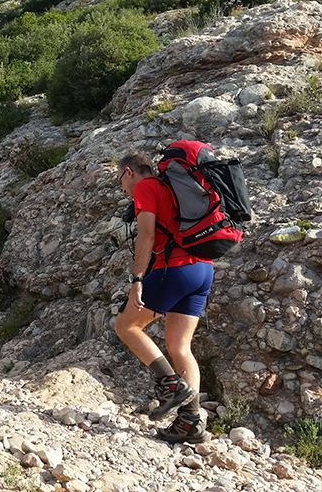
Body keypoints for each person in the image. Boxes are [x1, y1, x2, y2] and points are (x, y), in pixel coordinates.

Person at [114, 152, 215, 444]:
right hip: (203, 269)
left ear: (130, 172)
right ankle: (191, 422)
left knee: (126, 326)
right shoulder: (171, 187)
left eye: (120, 179)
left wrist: (137, 280)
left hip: (176, 268)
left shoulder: (146, 187)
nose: (122, 188)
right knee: (180, 346)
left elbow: (146, 234)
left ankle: (170, 385)